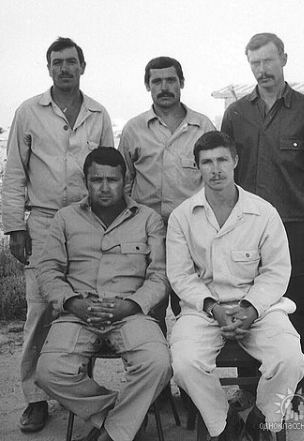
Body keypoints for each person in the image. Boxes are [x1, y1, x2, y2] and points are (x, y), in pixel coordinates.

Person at [2, 37, 114, 432]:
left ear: (83, 66)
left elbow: (109, 172)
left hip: (86, 220)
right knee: (39, 309)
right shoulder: (29, 111)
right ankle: (35, 398)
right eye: (57, 63)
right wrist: (15, 227)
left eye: (71, 62)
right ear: (48, 68)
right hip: (45, 221)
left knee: (84, 300)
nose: (64, 69)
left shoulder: (99, 113)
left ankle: (75, 385)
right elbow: (14, 172)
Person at [167, 131, 304, 440]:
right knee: (184, 363)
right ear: (197, 166)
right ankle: (224, 422)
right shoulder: (182, 217)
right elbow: (181, 275)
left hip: (259, 308)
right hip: (203, 310)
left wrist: (250, 309)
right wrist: (213, 308)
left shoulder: (263, 213)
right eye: (207, 162)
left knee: (291, 358)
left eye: (222, 160)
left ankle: (261, 418)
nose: (215, 169)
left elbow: (275, 272)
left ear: (235, 162)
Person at [221, 32, 304, 412]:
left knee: (296, 306)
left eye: (268, 61)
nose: (262, 70)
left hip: (294, 226)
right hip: (246, 228)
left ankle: (302, 387)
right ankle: (252, 388)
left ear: (284, 58)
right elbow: (224, 169)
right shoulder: (236, 113)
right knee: (250, 304)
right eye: (255, 63)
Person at [35, 147, 172, 441]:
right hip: (78, 313)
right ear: (86, 181)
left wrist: (132, 305)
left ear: (125, 181)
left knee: (158, 364)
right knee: (48, 372)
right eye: (97, 180)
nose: (106, 187)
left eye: (113, 179)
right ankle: (120, 418)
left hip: (129, 312)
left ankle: (111, 432)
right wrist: (73, 302)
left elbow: (159, 275)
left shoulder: (148, 219)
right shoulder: (65, 218)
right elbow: (47, 270)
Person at [118, 56, 215, 320]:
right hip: (146, 237)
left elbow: (215, 182)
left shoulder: (202, 127)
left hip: (193, 234)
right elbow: (123, 183)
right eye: (156, 81)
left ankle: (189, 360)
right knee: (149, 310)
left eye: (171, 80)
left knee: (193, 307)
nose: (164, 87)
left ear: (181, 82)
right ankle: (158, 361)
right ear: (147, 86)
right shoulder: (133, 129)